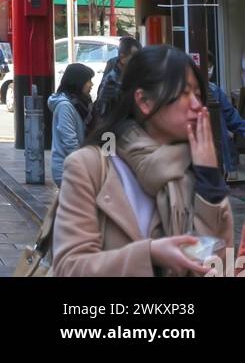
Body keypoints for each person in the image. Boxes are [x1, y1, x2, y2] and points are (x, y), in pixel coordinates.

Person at [54, 45, 233, 277]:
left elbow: (219, 264)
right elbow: (70, 268)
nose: (197, 106)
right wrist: (148, 255)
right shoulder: (90, 166)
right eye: (184, 93)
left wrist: (209, 181)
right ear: (144, 101)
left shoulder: (196, 170)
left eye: (198, 95)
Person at [48, 63, 94, 186]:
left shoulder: (82, 103)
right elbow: (69, 141)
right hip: (67, 168)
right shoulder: (65, 106)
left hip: (77, 165)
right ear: (78, 82)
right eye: (88, 81)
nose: (91, 85)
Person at [207, 52, 245, 179]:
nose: (208, 69)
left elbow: (233, 120)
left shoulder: (215, 91)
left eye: (209, 66)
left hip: (223, 161)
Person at [94, 35, 141, 120]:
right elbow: (104, 112)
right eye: (134, 58)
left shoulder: (131, 74)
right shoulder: (111, 82)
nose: (137, 62)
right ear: (122, 57)